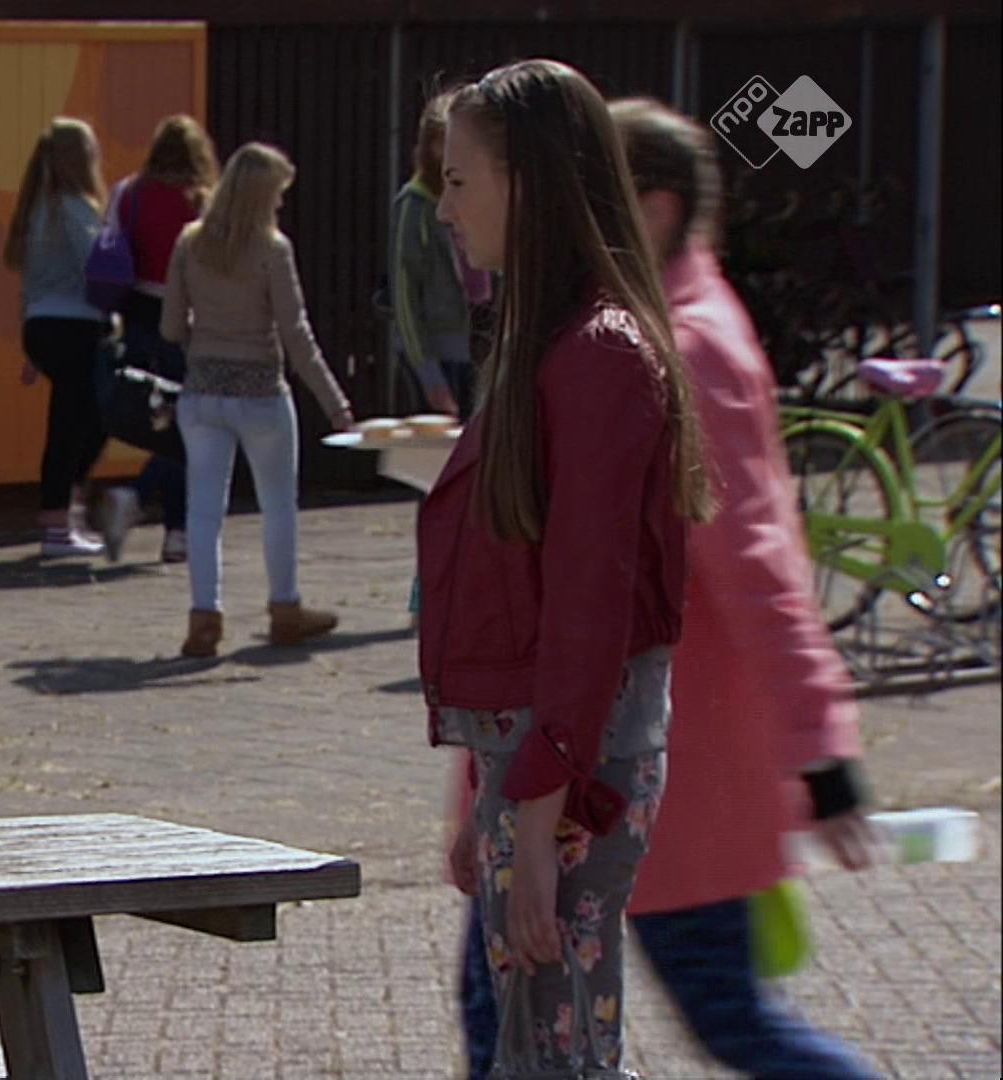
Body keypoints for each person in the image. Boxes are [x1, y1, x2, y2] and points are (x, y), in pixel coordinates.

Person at [453, 98, 882, 1080]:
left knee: (693, 1025)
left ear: (648, 209)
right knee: (545, 1020)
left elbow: (759, 563)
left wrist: (820, 748)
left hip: (652, 773)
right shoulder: (640, 330)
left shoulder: (679, 348)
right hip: (602, 771)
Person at [421, 59, 713, 1079]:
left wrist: (537, 810)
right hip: (543, 767)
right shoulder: (551, 344)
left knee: (562, 1057)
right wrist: (490, 789)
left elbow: (589, 603)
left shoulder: (597, 354)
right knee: (545, 1049)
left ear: (528, 182)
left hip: (571, 774)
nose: (444, 208)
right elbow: (530, 595)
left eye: (459, 180)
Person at [160, 142, 356, 658]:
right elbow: (297, 336)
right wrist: (335, 404)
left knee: (204, 510)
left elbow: (170, 326)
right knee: (278, 506)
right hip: (261, 394)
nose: (281, 204)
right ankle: (285, 609)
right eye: (278, 194)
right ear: (262, 196)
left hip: (203, 393)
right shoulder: (273, 249)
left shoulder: (190, 244)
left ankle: (204, 617)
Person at [100, 114, 220, 566]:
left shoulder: (127, 193)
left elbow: (109, 246)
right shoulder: (203, 201)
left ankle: (156, 514)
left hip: (136, 313)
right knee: (187, 424)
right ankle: (167, 523)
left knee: (165, 424)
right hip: (186, 319)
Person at [6, 117, 111, 558]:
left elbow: (29, 283)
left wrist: (31, 348)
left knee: (75, 419)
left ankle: (65, 512)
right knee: (83, 421)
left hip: (42, 325)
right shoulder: (74, 207)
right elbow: (96, 267)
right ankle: (60, 518)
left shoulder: (36, 210)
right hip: (76, 326)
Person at [392, 93, 491, 418]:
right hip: (435, 353)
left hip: (475, 347)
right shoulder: (415, 206)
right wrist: (428, 373)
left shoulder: (479, 195)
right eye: (444, 143)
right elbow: (405, 295)